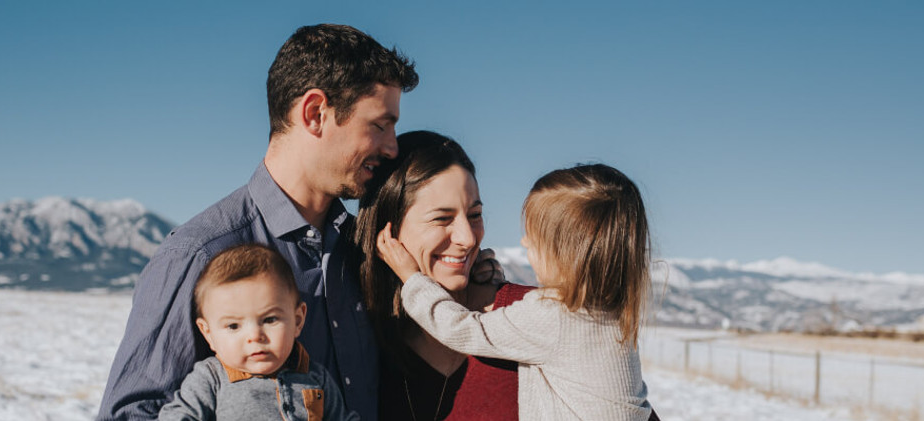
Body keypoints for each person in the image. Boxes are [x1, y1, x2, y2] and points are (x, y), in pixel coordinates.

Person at [98, 23, 418, 421]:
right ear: (315, 113)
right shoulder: (199, 254)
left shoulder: (363, 248)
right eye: (380, 125)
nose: (392, 147)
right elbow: (131, 413)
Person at [376, 163, 657, 420]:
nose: (523, 241)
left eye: (534, 238)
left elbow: (460, 329)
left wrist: (412, 278)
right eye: (442, 218)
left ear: (565, 252)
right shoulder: (611, 317)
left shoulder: (553, 315)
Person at [353, 130, 534, 421]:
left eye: (474, 215)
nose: (467, 238)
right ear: (389, 231)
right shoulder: (363, 340)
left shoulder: (529, 315)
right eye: (442, 218)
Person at [158, 244, 357, 421]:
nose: (255, 337)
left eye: (270, 320)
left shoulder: (315, 376)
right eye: (233, 326)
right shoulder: (211, 379)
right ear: (208, 333)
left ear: (297, 320)